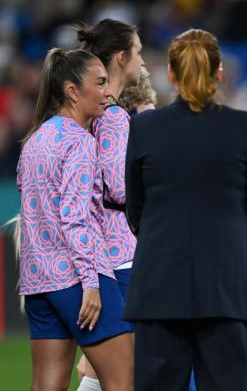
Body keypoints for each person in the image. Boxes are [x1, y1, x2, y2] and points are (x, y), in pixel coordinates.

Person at [124, 29, 247, 391]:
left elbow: (135, 209)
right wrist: (228, 242)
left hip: (159, 287)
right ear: (220, 73)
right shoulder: (242, 127)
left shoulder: (144, 127)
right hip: (227, 287)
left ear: (170, 74)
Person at [17, 48, 133, 391]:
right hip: (82, 278)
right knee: (123, 384)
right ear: (72, 91)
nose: (108, 91)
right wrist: (91, 283)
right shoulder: (81, 141)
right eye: (99, 83)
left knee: (46, 386)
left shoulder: (34, 140)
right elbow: (74, 218)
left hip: (38, 282)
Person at [74, 17, 145, 391]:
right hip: (121, 251)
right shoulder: (115, 117)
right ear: (121, 58)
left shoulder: (88, 113)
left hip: (95, 249)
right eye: (138, 54)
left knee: (104, 364)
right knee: (124, 369)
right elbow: (119, 187)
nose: (143, 63)